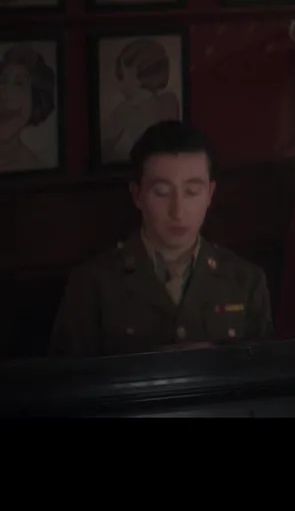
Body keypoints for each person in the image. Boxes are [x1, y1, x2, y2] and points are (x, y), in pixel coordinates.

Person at [49, 121, 273, 357]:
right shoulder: (91, 284)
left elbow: (264, 372)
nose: (178, 212)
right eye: (162, 192)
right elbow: (68, 376)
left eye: (192, 192)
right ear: (137, 194)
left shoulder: (246, 281)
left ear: (210, 194)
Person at [0, 43, 58, 173]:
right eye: (1, 81)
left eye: (19, 83)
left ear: (36, 100)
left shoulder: (37, 169)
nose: (4, 94)